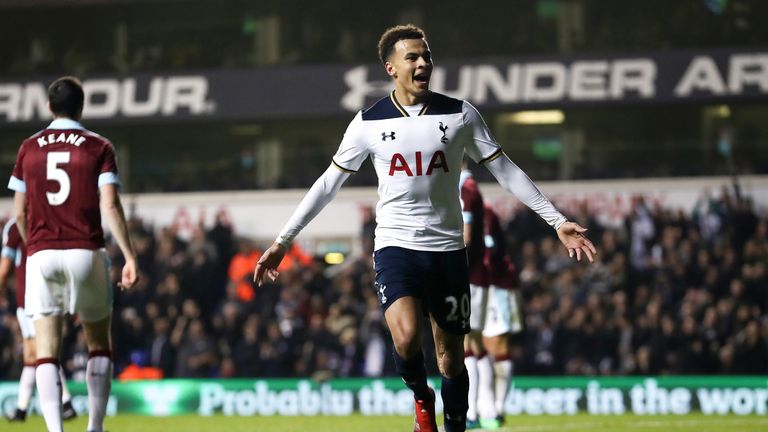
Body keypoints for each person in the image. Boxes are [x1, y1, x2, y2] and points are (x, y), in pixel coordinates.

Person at [254, 25, 596, 432]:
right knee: (404, 338)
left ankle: (454, 425)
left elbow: (505, 170)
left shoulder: (460, 113)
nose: (423, 63)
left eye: (426, 56)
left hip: (448, 250)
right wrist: (283, 241)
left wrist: (556, 220)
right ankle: (421, 398)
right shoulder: (368, 123)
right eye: (412, 57)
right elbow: (328, 184)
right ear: (391, 68)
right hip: (395, 246)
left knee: (451, 356)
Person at [7, 76, 138, 432]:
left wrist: (32, 245)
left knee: (46, 349)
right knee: (98, 343)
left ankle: (55, 430)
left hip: (42, 253)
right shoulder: (98, 146)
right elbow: (109, 204)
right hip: (86, 250)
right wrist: (129, 256)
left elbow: (19, 211)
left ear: (49, 107)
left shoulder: (28, 148)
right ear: (82, 107)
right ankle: (95, 427)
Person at [1, 218, 78, 422]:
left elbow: (4, 267)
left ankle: (66, 402)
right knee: (31, 355)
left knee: (44, 352)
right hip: (49, 293)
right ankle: (21, 408)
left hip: (28, 298)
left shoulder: (15, 226)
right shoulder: (50, 217)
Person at [458, 163, 498, 429]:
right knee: (474, 344)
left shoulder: (464, 188)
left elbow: (467, 236)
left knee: (466, 344)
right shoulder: (474, 188)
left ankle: (474, 412)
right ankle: (486, 411)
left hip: (469, 276)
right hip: (479, 276)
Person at [480, 204, 525, 427]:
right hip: (474, 285)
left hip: (497, 286)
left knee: (496, 344)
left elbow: (492, 249)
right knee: (476, 346)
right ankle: (483, 406)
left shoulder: (483, 212)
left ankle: (497, 408)